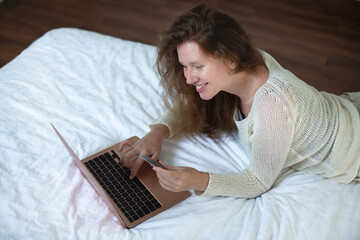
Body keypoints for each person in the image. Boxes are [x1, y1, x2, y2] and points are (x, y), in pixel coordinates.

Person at [118, 3, 360, 198]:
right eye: (184, 66)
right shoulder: (241, 68)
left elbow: (258, 180)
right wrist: (157, 133)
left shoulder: (272, 104)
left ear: (230, 58)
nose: (189, 78)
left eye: (197, 66)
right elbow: (195, 108)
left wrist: (196, 179)